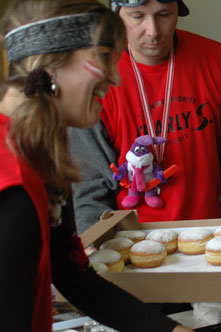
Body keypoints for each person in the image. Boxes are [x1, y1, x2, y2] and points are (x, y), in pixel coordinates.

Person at [0, 1, 192, 331]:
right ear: (51, 64)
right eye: (103, 57)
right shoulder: (11, 179)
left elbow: (76, 279)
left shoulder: (45, 150)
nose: (116, 78)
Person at [69, 0, 221, 233]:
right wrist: (94, 242)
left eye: (164, 14)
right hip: (129, 242)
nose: (153, 31)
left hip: (214, 233)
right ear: (116, 16)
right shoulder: (94, 77)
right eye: (138, 16)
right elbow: (90, 184)